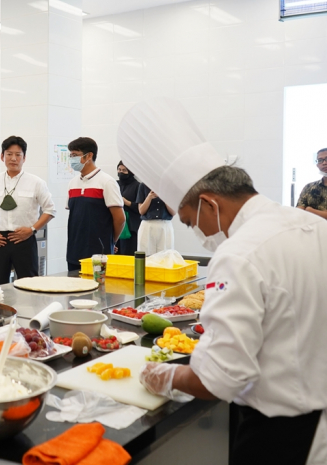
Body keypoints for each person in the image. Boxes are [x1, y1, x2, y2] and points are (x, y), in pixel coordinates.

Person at [118, 97, 327, 464]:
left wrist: (165, 376)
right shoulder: (313, 226)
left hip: (282, 432)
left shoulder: (238, 253)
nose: (196, 231)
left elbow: (219, 379)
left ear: (210, 205)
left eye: (189, 220)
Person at [0, 136, 56, 285]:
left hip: (24, 239)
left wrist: (32, 229)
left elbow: (50, 210)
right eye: (9, 154)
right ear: (2, 156)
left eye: (18, 155)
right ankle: (0, 308)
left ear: (24, 158)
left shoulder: (36, 182)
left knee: (30, 285)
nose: (13, 158)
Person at [66, 137, 125, 271]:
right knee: (75, 289)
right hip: (74, 250)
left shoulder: (107, 182)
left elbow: (120, 219)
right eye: (70, 155)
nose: (72, 159)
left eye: (75, 155)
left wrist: (111, 241)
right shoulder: (72, 183)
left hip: (98, 253)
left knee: (99, 290)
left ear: (89, 156)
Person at [136, 182, 175, 254]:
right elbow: (141, 211)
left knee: (165, 255)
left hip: (164, 224)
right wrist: (149, 197)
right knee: (146, 254)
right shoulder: (143, 185)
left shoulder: (170, 187)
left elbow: (173, 212)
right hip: (148, 224)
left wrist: (164, 197)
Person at [116, 161, 141, 256]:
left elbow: (140, 208)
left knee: (129, 254)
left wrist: (126, 202)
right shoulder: (115, 184)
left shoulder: (137, 186)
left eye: (124, 170)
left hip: (131, 227)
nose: (121, 172)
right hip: (116, 225)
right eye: (119, 170)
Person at [297, 147, 327, 220]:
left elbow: (306, 211)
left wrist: (310, 210)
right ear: (317, 165)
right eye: (320, 160)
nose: (324, 163)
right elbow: (298, 212)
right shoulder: (309, 187)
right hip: (311, 230)